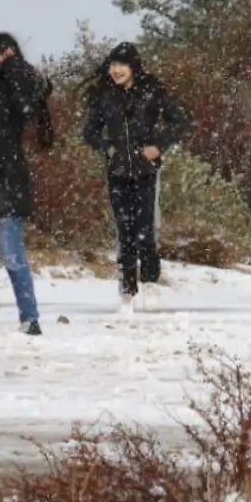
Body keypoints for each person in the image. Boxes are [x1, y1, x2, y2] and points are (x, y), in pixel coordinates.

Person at [82, 42, 192, 311]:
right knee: (124, 230)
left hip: (145, 170)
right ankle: (127, 290)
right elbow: (89, 131)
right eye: (113, 65)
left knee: (145, 228)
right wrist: (107, 147)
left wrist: (158, 145)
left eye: (122, 65)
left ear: (133, 67)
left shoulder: (152, 90)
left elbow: (181, 121)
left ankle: (151, 282)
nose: (116, 71)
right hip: (118, 171)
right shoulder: (105, 95)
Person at [0, 33, 54, 336]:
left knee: (11, 254)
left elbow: (30, 101)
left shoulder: (17, 80)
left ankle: (29, 316)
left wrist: (13, 65)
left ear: (4, 53)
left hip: (6, 178)